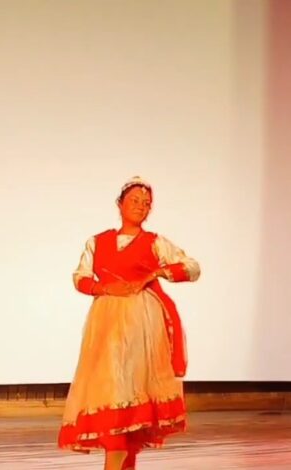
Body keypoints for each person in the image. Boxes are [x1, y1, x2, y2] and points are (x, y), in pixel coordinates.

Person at [58, 176, 201, 470]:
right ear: (120, 204)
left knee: (132, 389)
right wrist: (104, 288)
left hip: (142, 323)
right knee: (111, 387)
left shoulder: (154, 242)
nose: (140, 206)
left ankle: (117, 461)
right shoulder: (97, 242)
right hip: (106, 321)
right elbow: (80, 277)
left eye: (146, 203)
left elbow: (192, 267)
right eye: (135, 200)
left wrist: (155, 273)